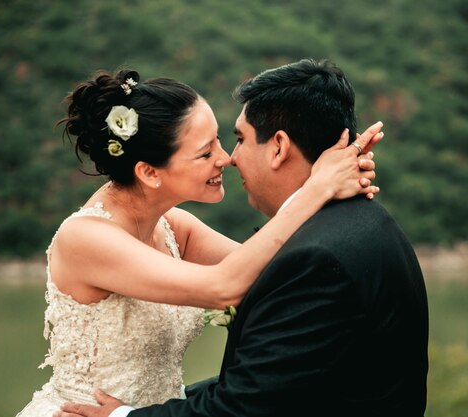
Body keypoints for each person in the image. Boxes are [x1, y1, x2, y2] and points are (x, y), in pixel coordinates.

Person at [57, 58, 428, 417]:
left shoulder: (174, 226)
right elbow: (227, 284)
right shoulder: (85, 239)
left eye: (227, 139)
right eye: (206, 152)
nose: (226, 158)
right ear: (150, 172)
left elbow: (270, 275)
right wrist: (318, 186)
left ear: (279, 146)